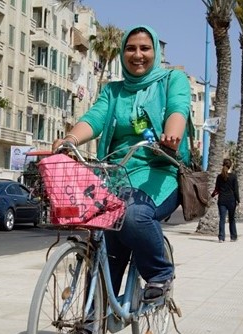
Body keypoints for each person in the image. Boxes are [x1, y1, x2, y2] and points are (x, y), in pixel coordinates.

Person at [52, 25, 191, 303]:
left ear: (155, 51)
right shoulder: (113, 91)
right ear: (121, 53)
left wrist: (173, 133)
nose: (137, 55)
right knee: (106, 247)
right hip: (115, 176)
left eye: (144, 48)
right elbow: (94, 119)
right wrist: (69, 140)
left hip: (159, 173)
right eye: (130, 48)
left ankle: (160, 274)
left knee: (133, 215)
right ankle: (92, 322)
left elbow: (179, 107)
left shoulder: (171, 79)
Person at [212, 158, 239, 242]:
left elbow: (217, 189)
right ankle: (233, 237)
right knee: (232, 219)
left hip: (222, 200)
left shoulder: (219, 177)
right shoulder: (233, 176)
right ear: (230, 166)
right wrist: (238, 200)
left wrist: (212, 195)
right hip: (231, 200)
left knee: (222, 219)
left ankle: (221, 237)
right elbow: (236, 190)